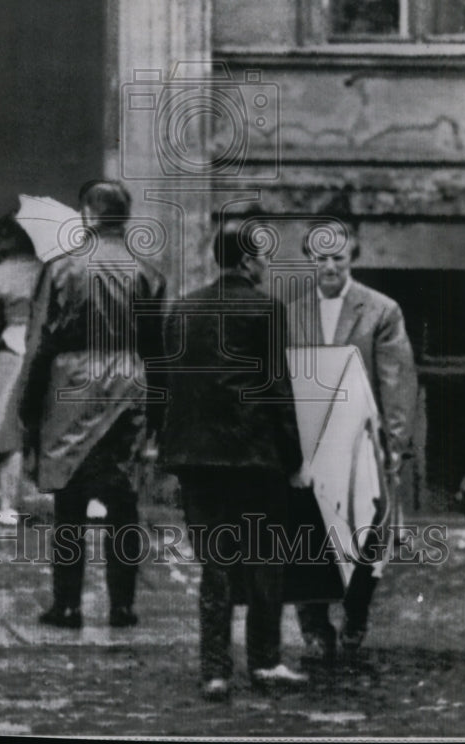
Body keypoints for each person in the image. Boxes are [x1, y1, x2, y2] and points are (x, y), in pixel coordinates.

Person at [160, 216, 308, 701]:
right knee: (265, 559)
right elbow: (277, 390)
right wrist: (295, 458)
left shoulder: (182, 310)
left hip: (197, 459)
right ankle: (265, 661)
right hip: (253, 457)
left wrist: (167, 449)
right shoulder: (266, 310)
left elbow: (168, 387)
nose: (267, 263)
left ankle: (215, 671)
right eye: (263, 255)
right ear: (247, 261)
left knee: (215, 566)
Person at [16, 180, 166, 629]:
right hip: (128, 387)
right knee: (124, 502)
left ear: (86, 214)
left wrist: (29, 404)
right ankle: (122, 605)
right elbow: (157, 349)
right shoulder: (148, 274)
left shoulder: (61, 269)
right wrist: (158, 409)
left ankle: (67, 605)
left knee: (69, 502)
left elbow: (41, 340)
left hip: (71, 389)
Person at [287, 214, 418, 660]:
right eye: (321, 257)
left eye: (338, 258)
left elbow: (397, 381)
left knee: (365, 533)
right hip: (309, 441)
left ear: (351, 259)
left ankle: (357, 613)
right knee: (308, 534)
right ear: (309, 259)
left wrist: (394, 446)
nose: (329, 266)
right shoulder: (291, 310)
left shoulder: (381, 310)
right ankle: (314, 623)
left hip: (361, 441)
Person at [0, 213, 43, 525]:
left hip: (12, 349)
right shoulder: (46, 270)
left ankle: (8, 505)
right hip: (45, 350)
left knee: (8, 429)